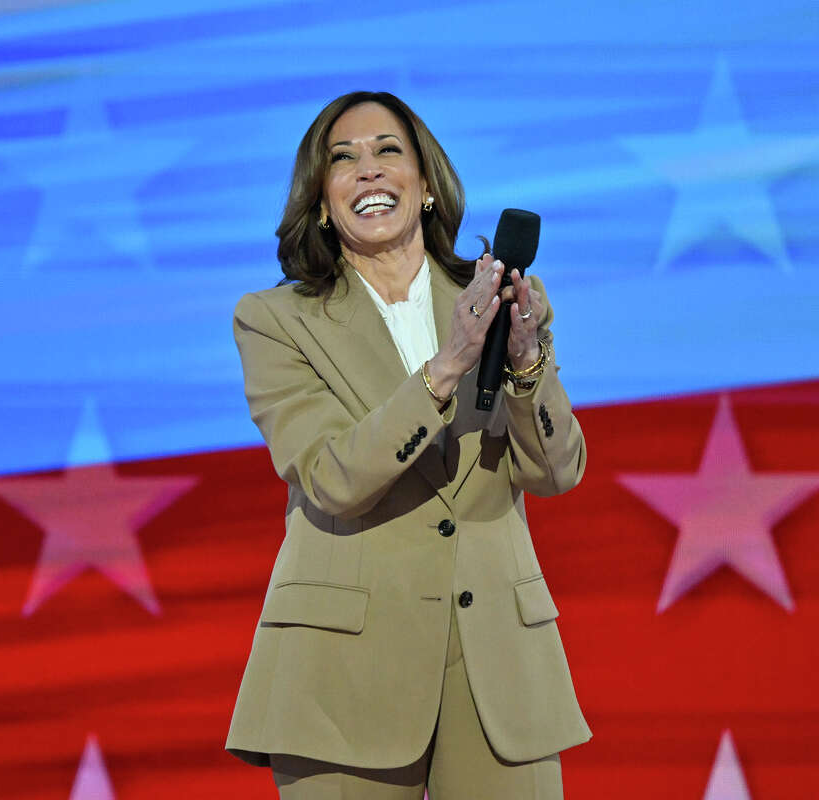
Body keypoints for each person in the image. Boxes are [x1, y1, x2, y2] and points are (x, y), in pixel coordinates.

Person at [225, 91, 590, 799]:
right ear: (322, 204)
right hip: (343, 676)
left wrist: (525, 363)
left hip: (499, 672)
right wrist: (446, 366)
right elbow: (331, 476)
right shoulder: (274, 321)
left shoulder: (499, 299)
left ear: (425, 187)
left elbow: (557, 470)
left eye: (388, 151)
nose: (368, 170)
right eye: (343, 159)